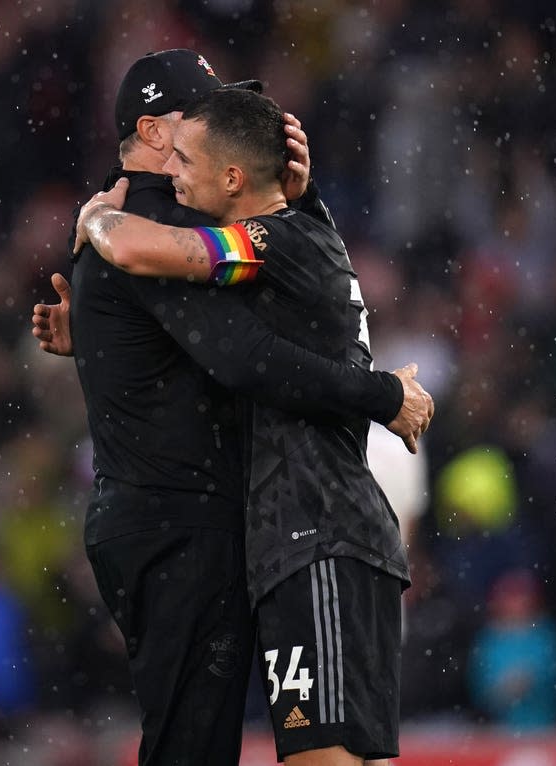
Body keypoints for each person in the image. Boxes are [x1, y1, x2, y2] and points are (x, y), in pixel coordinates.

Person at [72, 87, 433, 765]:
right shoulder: (297, 237)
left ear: (233, 178)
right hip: (321, 537)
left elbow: (147, 249)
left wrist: (94, 221)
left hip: (318, 534)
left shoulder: (271, 243)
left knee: (322, 756)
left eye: (184, 159)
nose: (171, 172)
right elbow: (223, 343)